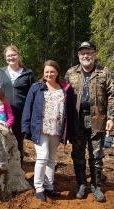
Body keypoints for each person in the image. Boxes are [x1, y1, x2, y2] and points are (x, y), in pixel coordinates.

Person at [65, 41, 114, 202]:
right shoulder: (71, 73)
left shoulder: (104, 72)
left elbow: (112, 95)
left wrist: (111, 117)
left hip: (98, 119)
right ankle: (81, 184)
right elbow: (62, 96)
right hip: (77, 120)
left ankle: (96, 186)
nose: (86, 56)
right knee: (77, 154)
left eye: (89, 52)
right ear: (79, 56)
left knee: (96, 155)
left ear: (94, 54)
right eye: (82, 53)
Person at [22, 60, 77, 202]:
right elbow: (28, 108)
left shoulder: (65, 88)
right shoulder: (36, 87)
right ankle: (39, 187)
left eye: (52, 71)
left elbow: (71, 111)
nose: (49, 74)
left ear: (57, 72)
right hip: (40, 128)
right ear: (43, 72)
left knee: (52, 158)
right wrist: (25, 127)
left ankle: (49, 186)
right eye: (47, 71)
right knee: (43, 156)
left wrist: (71, 131)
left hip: (57, 129)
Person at [0, 45, 34, 165]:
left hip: (21, 114)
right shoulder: (0, 73)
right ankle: (3, 173)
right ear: (5, 57)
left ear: (18, 55)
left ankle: (18, 171)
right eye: (8, 56)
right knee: (1, 142)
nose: (11, 58)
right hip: (2, 114)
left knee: (18, 143)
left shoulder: (28, 73)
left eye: (13, 55)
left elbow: (32, 95)